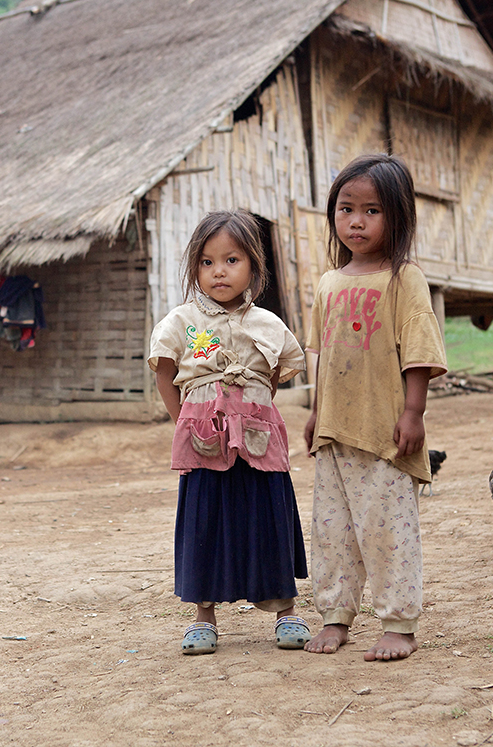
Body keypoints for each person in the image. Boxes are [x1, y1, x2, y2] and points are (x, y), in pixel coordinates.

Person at [302, 154, 448, 661]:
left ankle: (399, 624)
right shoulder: (328, 283)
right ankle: (335, 616)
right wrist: (316, 413)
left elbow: (419, 351)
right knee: (332, 533)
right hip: (335, 431)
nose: (356, 222)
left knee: (387, 532)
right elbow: (323, 354)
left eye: (372, 210)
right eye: (346, 209)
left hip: (385, 432)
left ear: (397, 216)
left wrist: (414, 413)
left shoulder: (405, 279)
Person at [149, 209, 311, 655]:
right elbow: (164, 372)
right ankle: (203, 617)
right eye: (207, 262)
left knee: (269, 517)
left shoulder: (268, 324)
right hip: (204, 440)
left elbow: (275, 374)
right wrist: (183, 420)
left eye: (231, 260)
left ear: (254, 267)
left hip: (259, 439)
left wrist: (250, 405)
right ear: (195, 268)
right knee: (205, 521)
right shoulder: (183, 321)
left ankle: (285, 611)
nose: (218, 270)